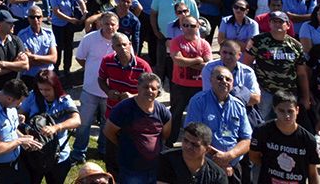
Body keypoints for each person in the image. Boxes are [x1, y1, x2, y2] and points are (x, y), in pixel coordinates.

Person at [183, 66, 252, 182]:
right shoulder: (198, 101)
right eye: (220, 78)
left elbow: (247, 139)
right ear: (211, 80)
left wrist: (228, 156)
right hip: (205, 166)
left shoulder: (238, 106)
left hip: (233, 166)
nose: (224, 81)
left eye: (228, 79)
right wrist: (220, 161)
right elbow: (192, 135)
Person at [103, 73, 172, 184]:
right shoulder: (123, 109)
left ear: (158, 93)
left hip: (154, 169)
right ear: (138, 87)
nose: (149, 91)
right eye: (146, 87)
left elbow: (165, 135)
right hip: (131, 170)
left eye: (153, 88)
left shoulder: (162, 111)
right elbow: (108, 131)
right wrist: (124, 145)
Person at [244, 10, 312, 121]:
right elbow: (246, 66)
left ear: (288, 25)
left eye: (281, 22)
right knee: (261, 121)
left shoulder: (296, 45)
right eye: (273, 21)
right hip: (265, 90)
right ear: (269, 24)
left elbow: (301, 73)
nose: (277, 24)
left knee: (287, 121)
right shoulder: (257, 41)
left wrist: (306, 97)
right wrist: (252, 88)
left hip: (288, 92)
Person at [17, 69, 80, 184]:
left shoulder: (64, 100)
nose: (44, 93)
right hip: (35, 153)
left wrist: (56, 127)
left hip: (58, 155)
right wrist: (21, 118)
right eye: (41, 89)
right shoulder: (33, 96)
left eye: (47, 89)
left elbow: (76, 120)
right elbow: (20, 113)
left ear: (55, 87)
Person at [72, 11, 119, 163]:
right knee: (84, 123)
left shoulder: (122, 41)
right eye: (106, 23)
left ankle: (103, 150)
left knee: (107, 123)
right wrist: (93, 70)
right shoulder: (89, 39)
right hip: (90, 89)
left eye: (113, 24)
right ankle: (79, 152)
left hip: (110, 93)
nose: (109, 27)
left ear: (117, 26)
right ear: (100, 24)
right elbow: (79, 58)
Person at [0, 78, 42, 184]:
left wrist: (23, 138)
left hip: (16, 161)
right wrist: (19, 142)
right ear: (9, 98)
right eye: (19, 102)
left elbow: (12, 130)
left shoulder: (8, 105)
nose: (19, 106)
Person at [249, 92, 320, 184]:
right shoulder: (262, 131)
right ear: (274, 109)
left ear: (297, 110)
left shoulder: (308, 139)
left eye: (290, 111)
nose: (287, 115)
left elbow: (312, 173)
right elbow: (254, 156)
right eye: (281, 111)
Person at [167, 15, 212, 145]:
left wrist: (186, 62)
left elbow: (207, 65)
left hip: (198, 86)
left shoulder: (204, 44)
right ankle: (170, 142)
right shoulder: (175, 41)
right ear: (181, 27)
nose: (188, 28)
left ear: (198, 26)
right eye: (185, 25)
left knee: (198, 116)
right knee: (175, 114)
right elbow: (177, 60)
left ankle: (197, 142)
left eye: (192, 25)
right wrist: (198, 60)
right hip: (179, 85)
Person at [156, 122, 229, 184]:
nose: (188, 146)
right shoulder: (166, 160)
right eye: (185, 140)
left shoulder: (217, 176)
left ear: (207, 149)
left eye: (195, 145)